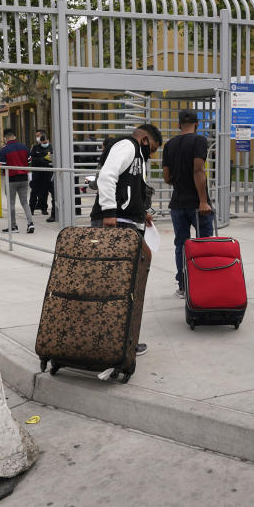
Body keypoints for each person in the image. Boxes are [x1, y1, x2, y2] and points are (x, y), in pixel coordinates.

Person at [90, 124, 162, 357]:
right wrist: (110, 212)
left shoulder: (137, 157)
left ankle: (121, 340)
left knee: (124, 285)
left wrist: (142, 212)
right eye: (151, 148)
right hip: (115, 222)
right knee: (113, 285)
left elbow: (131, 190)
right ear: (143, 138)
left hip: (126, 221)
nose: (151, 155)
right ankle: (108, 342)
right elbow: (107, 176)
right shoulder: (128, 146)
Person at [162, 108, 213, 297]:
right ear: (197, 125)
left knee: (181, 245)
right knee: (205, 244)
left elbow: (167, 177)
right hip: (197, 205)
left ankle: (183, 286)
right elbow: (198, 170)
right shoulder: (199, 140)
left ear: (178, 125)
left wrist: (180, 180)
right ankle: (205, 282)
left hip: (177, 204)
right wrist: (203, 201)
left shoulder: (169, 145)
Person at [0, 129, 34, 234]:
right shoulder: (24, 147)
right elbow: (29, 161)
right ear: (14, 136)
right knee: (24, 202)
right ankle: (30, 223)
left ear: (5, 138)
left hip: (11, 179)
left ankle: (13, 226)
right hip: (23, 178)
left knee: (11, 203)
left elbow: (1, 166)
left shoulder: (4, 150)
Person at [30, 129, 55, 221]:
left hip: (48, 173)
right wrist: (42, 159)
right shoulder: (35, 148)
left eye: (39, 137)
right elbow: (31, 158)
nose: (39, 140)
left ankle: (44, 209)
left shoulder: (52, 147)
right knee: (34, 191)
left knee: (45, 192)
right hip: (37, 173)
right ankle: (31, 209)